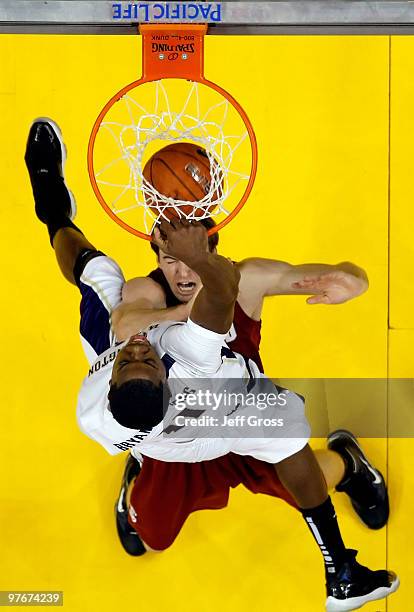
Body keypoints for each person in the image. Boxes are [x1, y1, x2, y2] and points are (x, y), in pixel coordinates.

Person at [25, 119, 398, 612]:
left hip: (239, 418)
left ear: (212, 245)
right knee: (151, 533)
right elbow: (125, 321)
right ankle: (135, 475)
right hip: (170, 442)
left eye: (195, 256)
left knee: (310, 480)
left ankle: (348, 461)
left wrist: (354, 280)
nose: (182, 272)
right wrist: (193, 285)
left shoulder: (248, 278)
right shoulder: (147, 300)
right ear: (158, 249)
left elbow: (322, 275)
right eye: (171, 258)